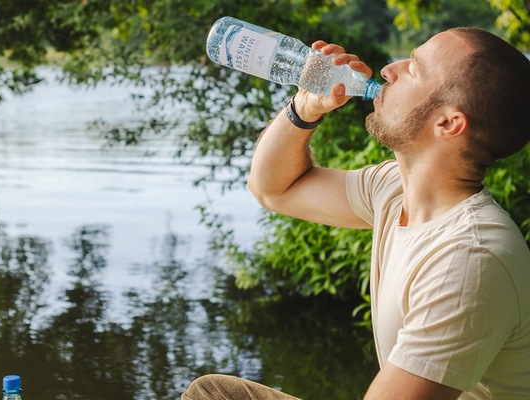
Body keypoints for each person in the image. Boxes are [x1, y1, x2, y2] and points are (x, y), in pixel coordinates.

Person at [183, 27, 530, 399]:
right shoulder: (394, 189)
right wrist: (304, 109)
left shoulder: (469, 259)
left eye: (414, 69)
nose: (389, 70)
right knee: (214, 393)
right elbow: (273, 189)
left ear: (447, 123)